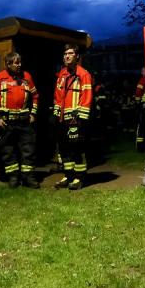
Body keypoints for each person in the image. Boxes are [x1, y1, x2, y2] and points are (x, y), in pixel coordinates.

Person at [0, 52, 40, 188]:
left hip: (24, 121)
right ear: (8, 64)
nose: (19, 65)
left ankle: (28, 178)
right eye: (16, 63)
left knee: (28, 149)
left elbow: (35, 96)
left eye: (20, 62)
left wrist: (33, 114)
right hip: (7, 122)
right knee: (8, 150)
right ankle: (13, 178)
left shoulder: (27, 77)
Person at [52, 44, 94, 190]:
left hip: (76, 118)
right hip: (62, 119)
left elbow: (87, 97)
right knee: (64, 148)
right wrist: (56, 114)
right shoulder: (62, 74)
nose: (67, 56)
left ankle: (80, 178)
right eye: (65, 54)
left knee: (77, 148)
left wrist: (81, 118)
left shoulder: (84, 74)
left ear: (77, 56)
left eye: (70, 53)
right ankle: (69, 175)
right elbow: (57, 97)